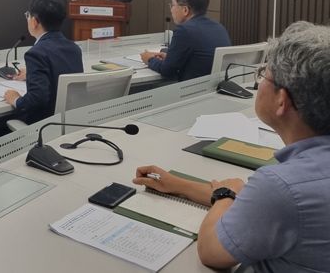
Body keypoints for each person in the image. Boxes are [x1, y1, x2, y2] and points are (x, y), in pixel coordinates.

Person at [133, 21, 330, 272]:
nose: (260, 82)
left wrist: (223, 196)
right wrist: (178, 185)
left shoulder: (281, 187)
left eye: (263, 75)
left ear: (282, 101)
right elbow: (259, 207)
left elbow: (211, 252)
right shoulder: (297, 181)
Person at [3, 0, 84, 124]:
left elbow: (37, 99)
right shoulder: (74, 48)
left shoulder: (35, 53)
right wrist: (33, 73)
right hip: (69, 123)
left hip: (43, 126)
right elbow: (62, 72)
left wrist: (15, 99)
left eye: (27, 15)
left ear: (34, 21)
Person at [140, 0, 231, 80]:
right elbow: (199, 58)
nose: (171, 10)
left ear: (185, 10)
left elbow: (167, 70)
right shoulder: (219, 27)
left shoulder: (184, 30)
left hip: (191, 90)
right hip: (213, 88)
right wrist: (170, 57)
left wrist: (149, 59)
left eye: (173, 5)